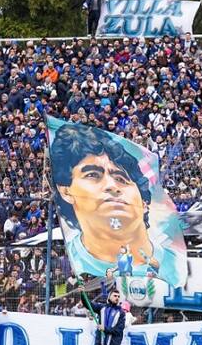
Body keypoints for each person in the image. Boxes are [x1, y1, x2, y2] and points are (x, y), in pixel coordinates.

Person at [49, 122, 184, 285]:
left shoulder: (177, 268)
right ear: (65, 191)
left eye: (121, 178)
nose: (112, 186)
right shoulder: (70, 264)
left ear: (144, 202)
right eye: (93, 175)